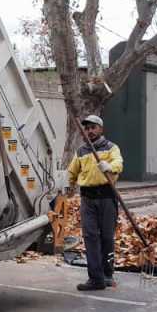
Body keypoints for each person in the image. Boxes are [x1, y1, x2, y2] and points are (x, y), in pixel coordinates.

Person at [67, 115, 124, 291]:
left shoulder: (111, 148)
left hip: (107, 196)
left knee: (107, 237)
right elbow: (72, 172)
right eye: (87, 128)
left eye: (93, 127)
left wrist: (110, 167)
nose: (90, 131)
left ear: (101, 129)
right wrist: (66, 186)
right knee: (91, 237)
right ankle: (95, 278)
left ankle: (108, 274)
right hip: (87, 199)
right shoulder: (82, 151)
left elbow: (119, 163)